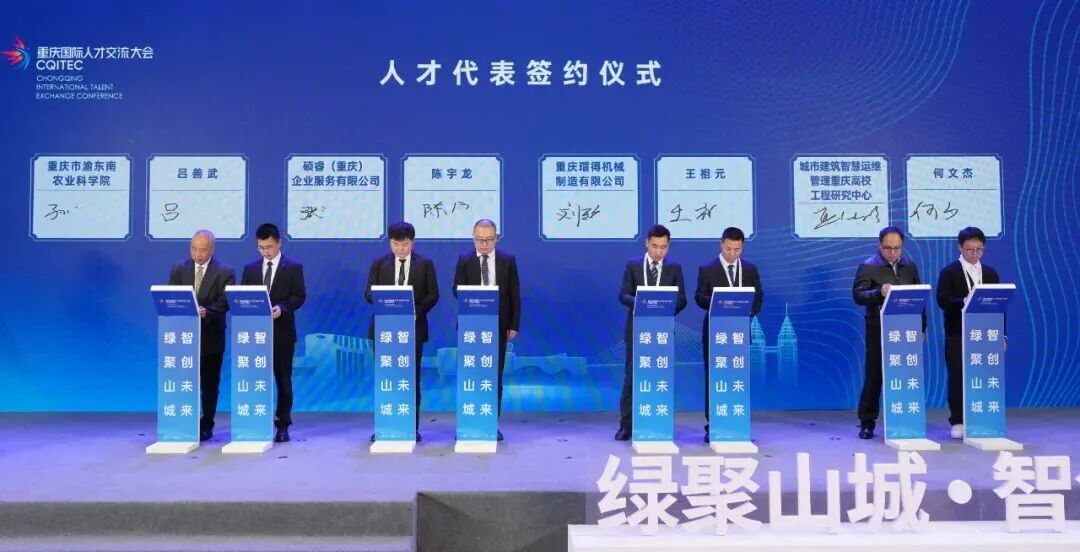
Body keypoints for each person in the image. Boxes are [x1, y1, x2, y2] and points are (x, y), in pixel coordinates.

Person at [364, 221, 439, 442]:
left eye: (405, 244)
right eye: (396, 244)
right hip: (384, 330)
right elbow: (368, 293)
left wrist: (415, 311)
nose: (400, 249)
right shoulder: (379, 264)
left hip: (413, 329)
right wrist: (384, 301)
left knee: (410, 379)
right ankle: (385, 425)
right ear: (390, 242)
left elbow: (433, 294)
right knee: (386, 378)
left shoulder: (425, 264)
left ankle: (410, 427)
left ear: (412, 242)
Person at [852, 226, 926, 440]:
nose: (893, 252)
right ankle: (867, 422)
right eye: (888, 248)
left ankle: (905, 419)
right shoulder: (868, 266)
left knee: (906, 374)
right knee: (875, 375)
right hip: (879, 328)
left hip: (906, 329)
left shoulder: (909, 267)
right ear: (880, 245)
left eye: (897, 248)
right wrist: (879, 292)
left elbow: (919, 298)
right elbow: (858, 295)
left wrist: (922, 328)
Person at [615, 224, 687, 441]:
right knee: (632, 376)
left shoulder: (674, 268)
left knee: (660, 376)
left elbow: (682, 299)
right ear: (646, 243)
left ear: (668, 246)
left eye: (663, 247)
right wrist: (644, 302)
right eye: (655, 246)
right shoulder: (633, 266)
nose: (659, 252)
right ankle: (626, 425)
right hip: (637, 329)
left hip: (662, 331)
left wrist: (664, 308)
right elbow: (623, 295)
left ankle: (657, 421)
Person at [452, 219, 520, 441]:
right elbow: (456, 290)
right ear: (473, 238)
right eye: (480, 240)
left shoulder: (507, 261)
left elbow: (514, 294)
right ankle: (468, 423)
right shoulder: (464, 259)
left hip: (498, 326)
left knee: (493, 376)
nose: (484, 244)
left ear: (496, 238)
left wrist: (514, 324)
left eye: (489, 240)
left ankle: (491, 424)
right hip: (470, 327)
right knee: (470, 375)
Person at [693, 226, 763, 443]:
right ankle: (713, 424)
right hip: (715, 332)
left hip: (740, 331)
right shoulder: (707, 269)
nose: (732, 254)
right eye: (728, 249)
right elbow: (699, 297)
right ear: (721, 245)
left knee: (738, 377)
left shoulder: (750, 269)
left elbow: (758, 297)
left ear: (742, 247)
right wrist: (721, 302)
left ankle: (737, 422)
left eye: (737, 250)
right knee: (714, 377)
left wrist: (748, 311)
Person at [241, 223, 306, 443]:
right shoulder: (250, 269)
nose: (265, 252)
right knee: (254, 378)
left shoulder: (293, 267)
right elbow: (243, 297)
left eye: (268, 247)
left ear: (279, 243)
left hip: (282, 333)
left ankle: (283, 424)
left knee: (282, 379)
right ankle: (254, 421)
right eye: (261, 248)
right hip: (255, 334)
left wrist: (283, 308)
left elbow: (299, 296)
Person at [167, 230, 235, 441]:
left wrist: (207, 311)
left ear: (212, 249)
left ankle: (207, 423)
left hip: (210, 336)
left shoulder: (225, 271)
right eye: (194, 249)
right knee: (184, 381)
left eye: (203, 250)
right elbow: (171, 297)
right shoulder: (179, 269)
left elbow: (226, 301)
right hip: (184, 336)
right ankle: (184, 420)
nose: (197, 254)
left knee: (209, 384)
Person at [936, 226, 1000, 439]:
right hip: (957, 333)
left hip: (986, 333)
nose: (975, 254)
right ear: (960, 247)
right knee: (957, 376)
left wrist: (1003, 335)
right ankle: (958, 420)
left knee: (984, 375)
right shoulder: (949, 272)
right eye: (970, 249)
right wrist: (965, 300)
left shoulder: (990, 273)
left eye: (979, 249)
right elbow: (942, 300)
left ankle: (983, 418)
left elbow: (999, 306)